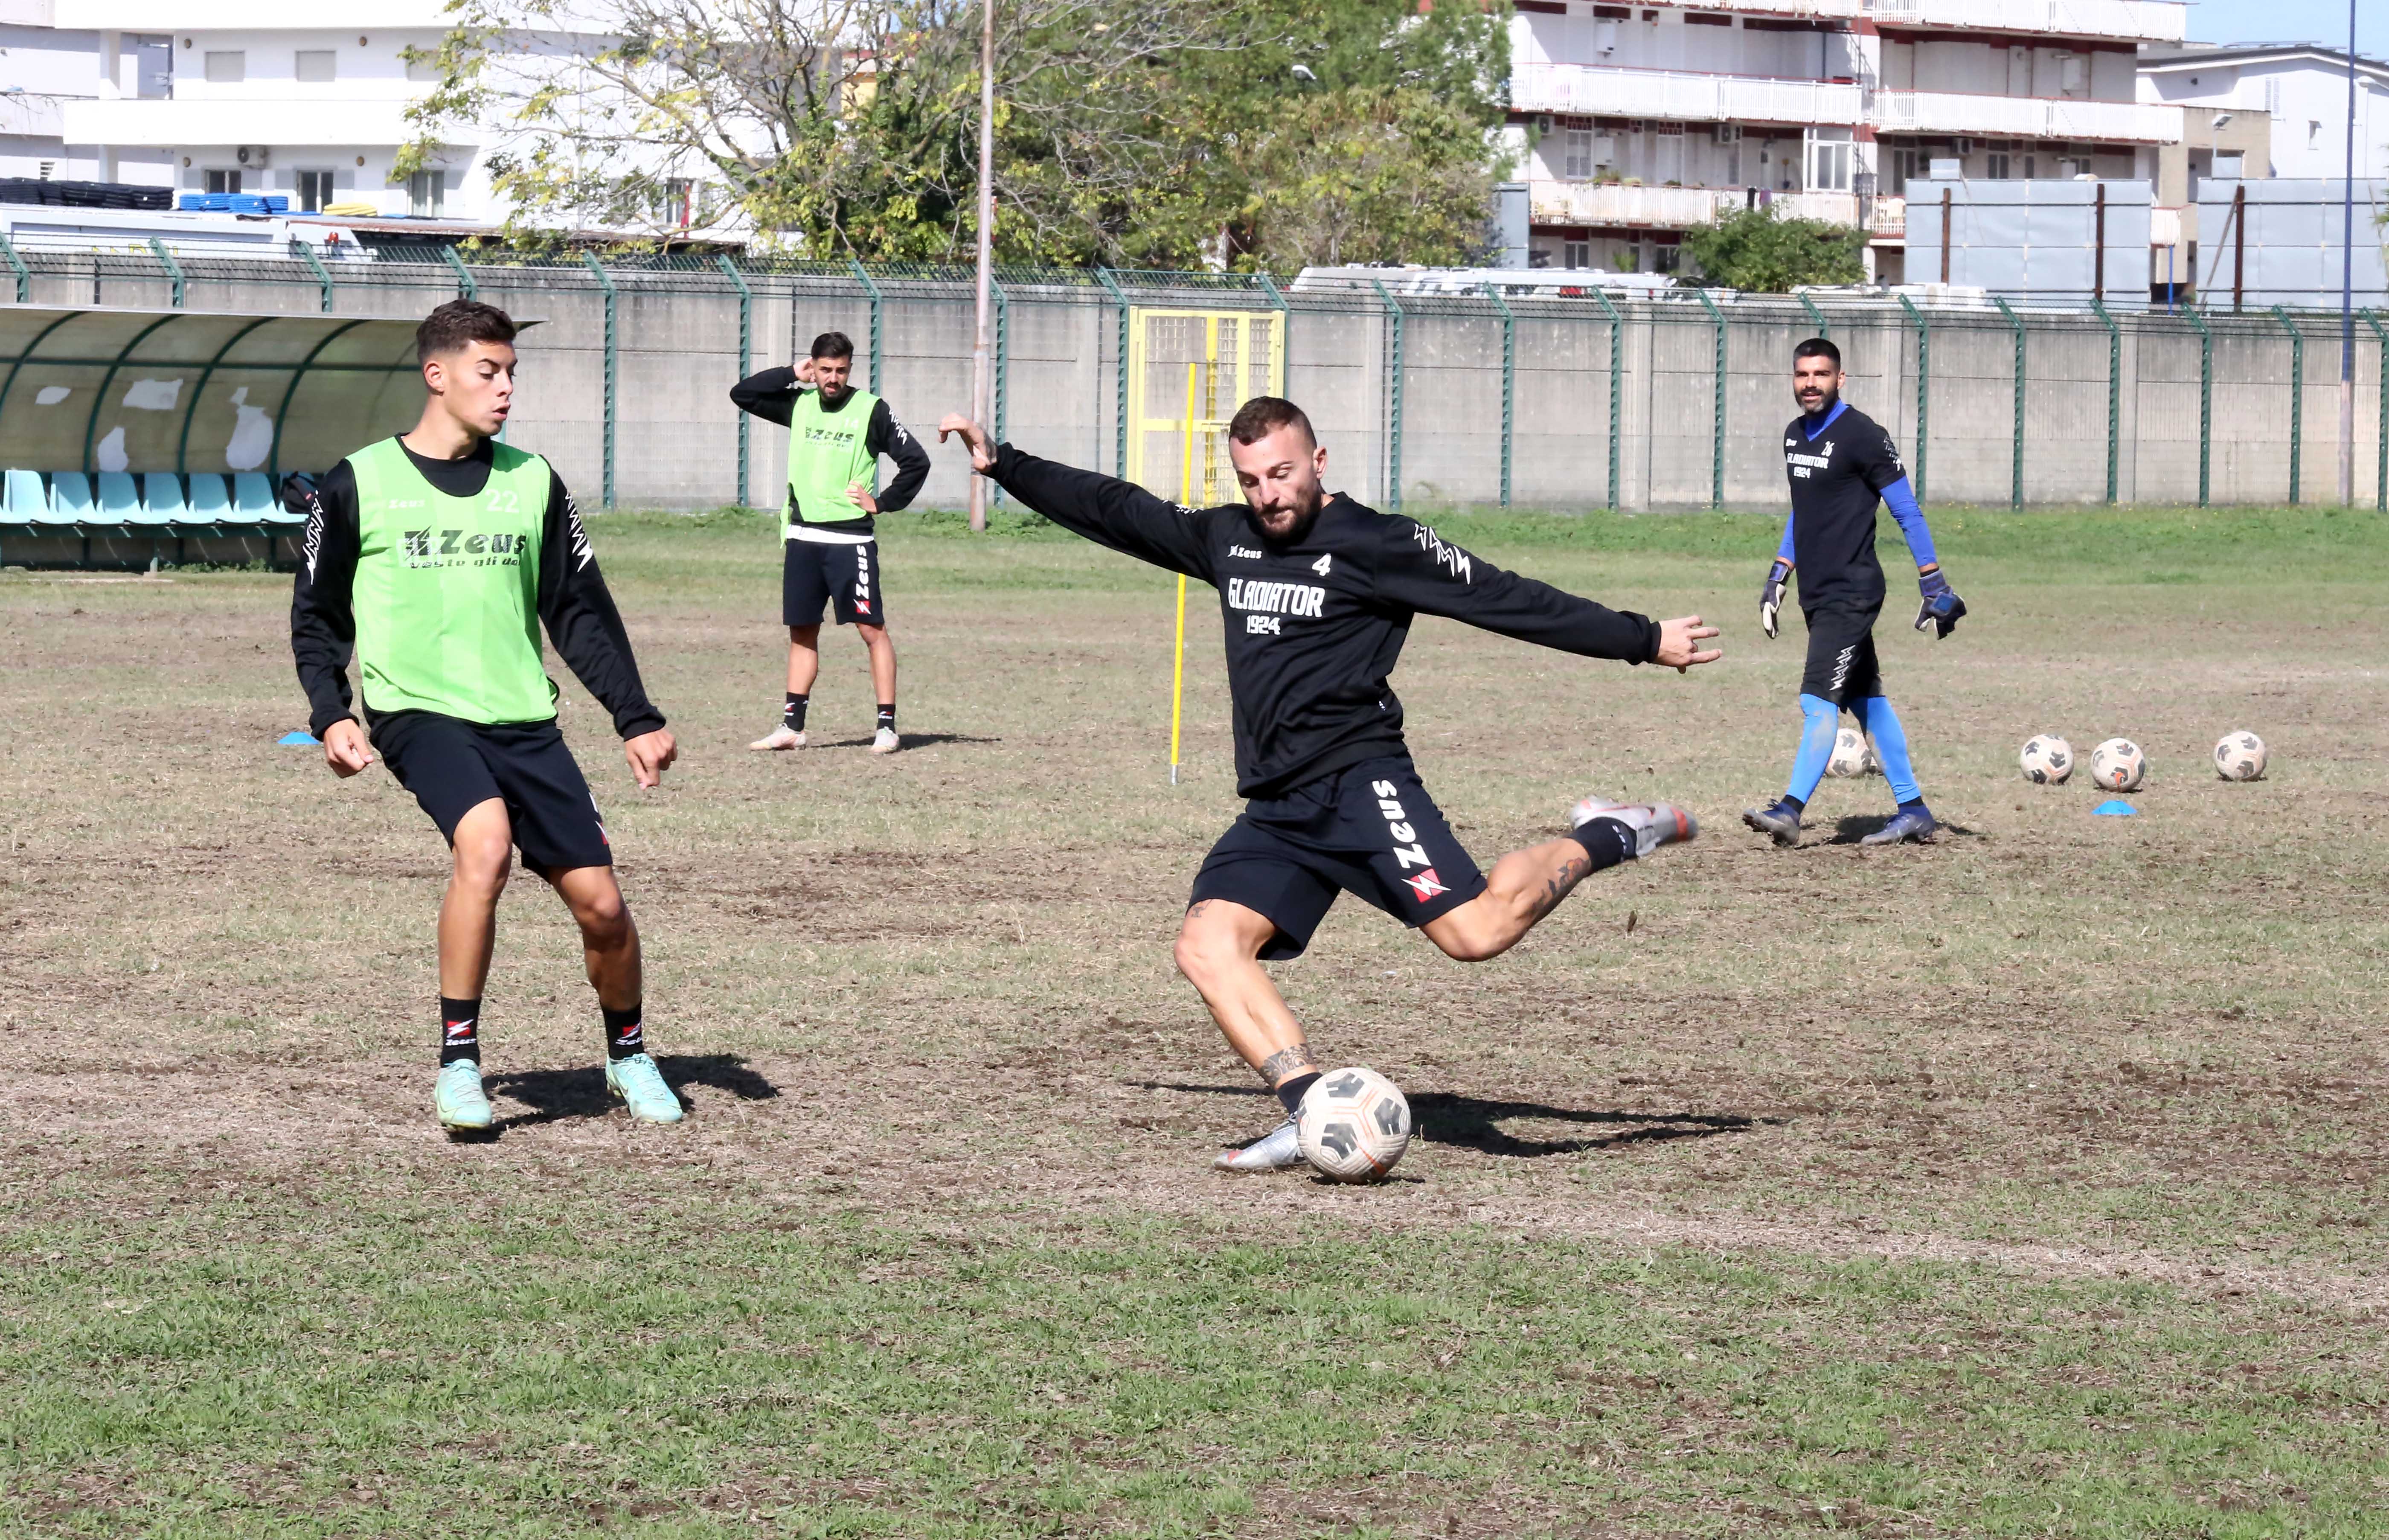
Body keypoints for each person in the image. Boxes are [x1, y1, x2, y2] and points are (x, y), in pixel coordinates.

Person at [936, 398, 1721, 1172]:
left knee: (1476, 935)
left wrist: (1643, 639)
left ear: (1318, 461)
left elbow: (1505, 598)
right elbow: (1119, 510)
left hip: (1359, 783)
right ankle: (1311, 1110)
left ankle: (1608, 832)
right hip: (1279, 806)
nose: (1268, 496)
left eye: (1281, 474)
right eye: (1250, 481)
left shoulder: (1380, 544)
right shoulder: (1228, 537)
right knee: (1207, 947)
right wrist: (1006, 463)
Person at [290, 299, 684, 1136]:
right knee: (487, 844)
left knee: (604, 909)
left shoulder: (532, 481)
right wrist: (333, 713)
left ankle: (629, 1052)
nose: (505, 388)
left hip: (524, 720)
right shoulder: (358, 481)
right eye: (488, 371)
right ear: (437, 375)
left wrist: (634, 715)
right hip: (418, 713)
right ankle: (459, 1064)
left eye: (511, 373)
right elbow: (318, 617)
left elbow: (578, 610)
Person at [1743, 337, 1966, 849]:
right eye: (1801, 375)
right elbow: (1805, 510)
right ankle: (1913, 810)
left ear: (1839, 379)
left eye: (1820, 374)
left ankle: (1790, 809)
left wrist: (1932, 579)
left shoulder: (1863, 435)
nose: (1809, 384)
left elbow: (1906, 511)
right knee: (1866, 701)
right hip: (1816, 594)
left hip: (1852, 592)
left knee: (1816, 698)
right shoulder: (1793, 436)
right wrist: (1779, 574)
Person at [731, 332, 931, 755]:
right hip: (803, 538)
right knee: (802, 631)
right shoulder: (799, 404)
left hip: (850, 540)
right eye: (824, 370)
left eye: (840, 370)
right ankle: (791, 727)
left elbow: (916, 460)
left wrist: (882, 502)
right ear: (814, 367)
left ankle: (886, 728)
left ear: (850, 369)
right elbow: (742, 394)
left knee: (870, 629)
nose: (832, 378)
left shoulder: (870, 410)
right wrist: (790, 375)